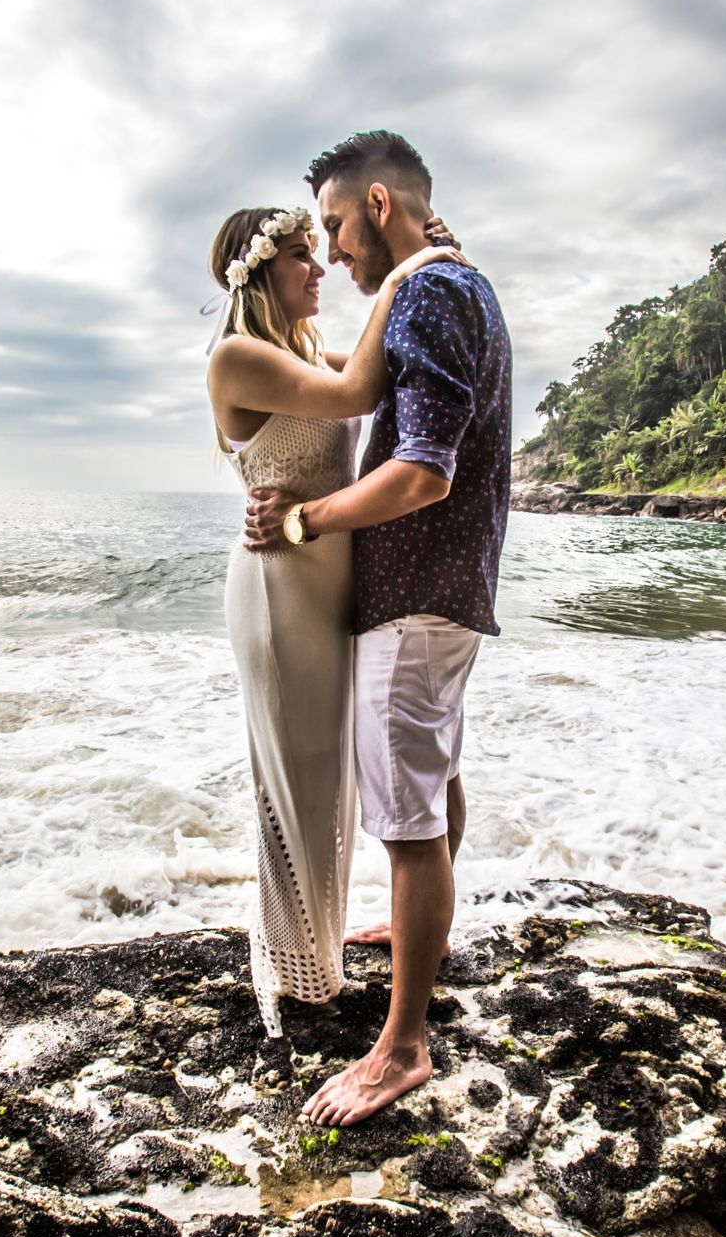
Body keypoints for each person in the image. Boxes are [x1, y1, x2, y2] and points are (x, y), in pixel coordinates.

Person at [244, 131, 513, 1126]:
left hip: (415, 586)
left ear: (381, 208)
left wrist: (306, 518)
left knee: (405, 817)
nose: (334, 250)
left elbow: (425, 468)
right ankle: (416, 944)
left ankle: (402, 1044)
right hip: (444, 585)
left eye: (334, 225)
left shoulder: (435, 292)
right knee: (430, 788)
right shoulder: (454, 283)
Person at [206, 204, 463, 1040]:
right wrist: (406, 269)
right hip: (280, 588)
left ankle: (317, 958)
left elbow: (371, 375)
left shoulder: (306, 350)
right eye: (300, 257)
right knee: (297, 782)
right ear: (255, 274)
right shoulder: (238, 357)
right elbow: (360, 390)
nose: (321, 270)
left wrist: (429, 261)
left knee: (335, 783)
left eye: (322, 254)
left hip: (326, 579)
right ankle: (300, 975)